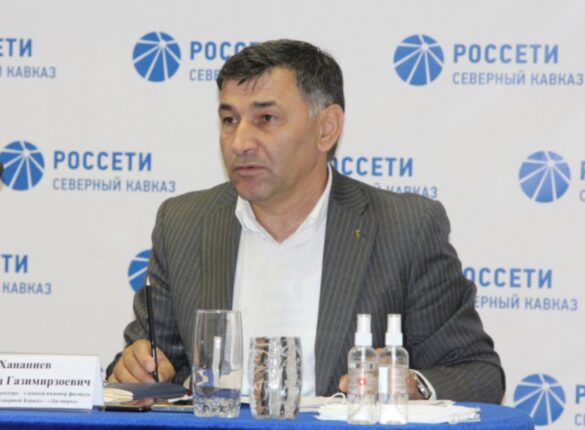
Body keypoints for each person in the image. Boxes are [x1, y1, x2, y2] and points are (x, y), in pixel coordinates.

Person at [107, 39, 505, 403]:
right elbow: (147, 364)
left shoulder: (405, 228)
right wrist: (135, 368)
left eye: (266, 118)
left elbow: (478, 374)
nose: (240, 142)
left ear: (326, 128)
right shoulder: (183, 224)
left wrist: (411, 384)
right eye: (229, 120)